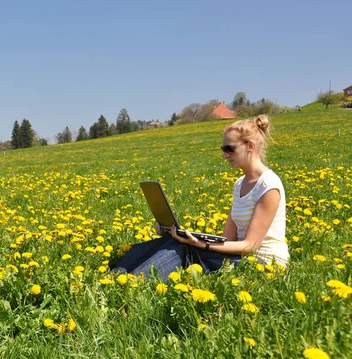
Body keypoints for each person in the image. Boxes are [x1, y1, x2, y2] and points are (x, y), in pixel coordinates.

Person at [113, 115, 289, 280]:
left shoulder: (268, 186)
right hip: (241, 257)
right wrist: (185, 235)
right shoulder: (240, 184)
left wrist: (201, 244)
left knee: (186, 249)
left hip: (265, 265)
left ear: (250, 146)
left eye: (230, 149)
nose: (225, 155)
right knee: (175, 239)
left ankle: (132, 283)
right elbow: (228, 239)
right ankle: (117, 274)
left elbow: (250, 246)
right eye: (223, 149)